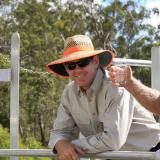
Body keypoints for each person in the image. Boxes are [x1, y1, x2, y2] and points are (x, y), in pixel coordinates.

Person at [46, 35, 160, 160]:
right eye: (71, 66)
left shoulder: (116, 86)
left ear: (95, 61)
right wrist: (60, 144)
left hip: (151, 154)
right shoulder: (69, 93)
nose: (77, 70)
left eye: (82, 63)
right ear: (67, 69)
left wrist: (71, 146)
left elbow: (113, 140)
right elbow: (59, 132)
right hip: (113, 156)